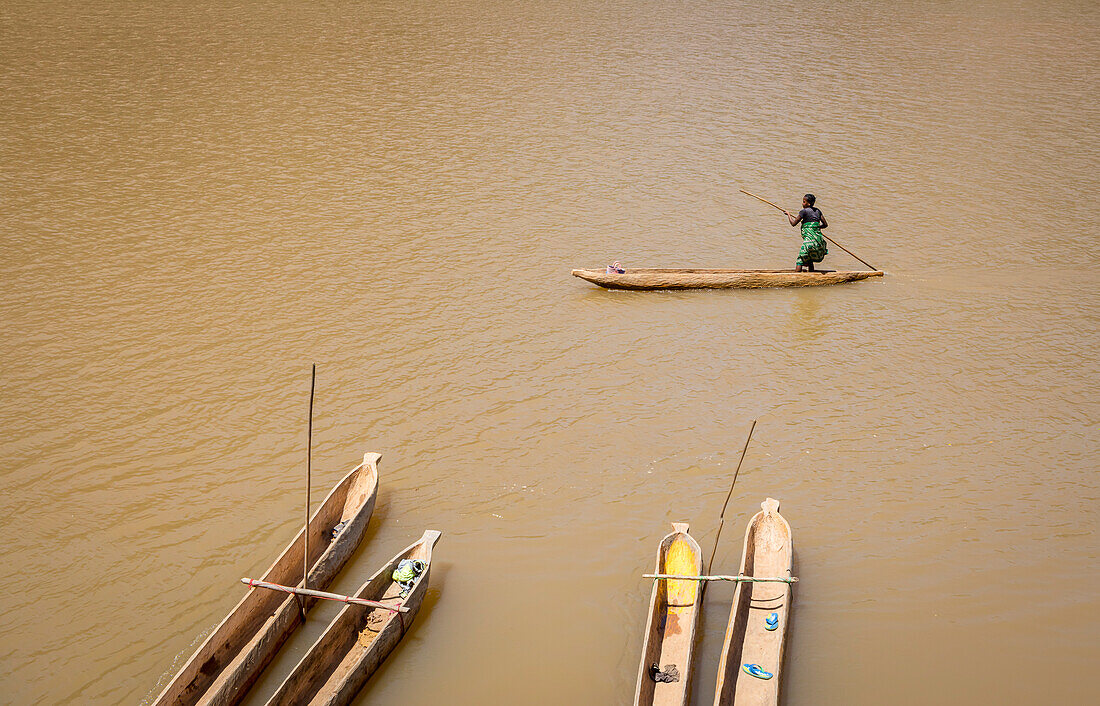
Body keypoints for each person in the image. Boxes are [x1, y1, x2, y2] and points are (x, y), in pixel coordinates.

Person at [785, 194, 828, 272]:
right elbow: (825, 225)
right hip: (818, 241)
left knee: (800, 260)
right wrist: (816, 228)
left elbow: (793, 224)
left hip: (809, 242)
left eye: (804, 202)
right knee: (810, 258)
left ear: (808, 204)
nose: (802, 203)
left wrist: (788, 214)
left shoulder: (803, 211)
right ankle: (811, 275)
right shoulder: (818, 211)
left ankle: (796, 279)